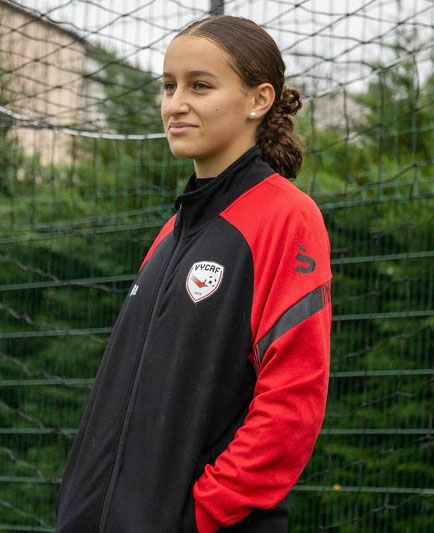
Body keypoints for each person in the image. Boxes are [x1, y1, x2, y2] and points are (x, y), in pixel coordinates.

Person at [55, 15, 332, 533]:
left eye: (200, 86)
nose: (175, 104)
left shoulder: (287, 217)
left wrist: (200, 515)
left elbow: (293, 399)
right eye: (169, 86)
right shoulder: (171, 233)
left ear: (259, 99)